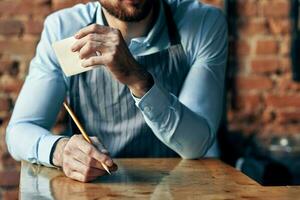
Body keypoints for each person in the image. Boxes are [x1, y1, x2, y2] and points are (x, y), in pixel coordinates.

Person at [6, 0, 228, 182]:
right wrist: (61, 150)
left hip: (177, 186)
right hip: (95, 187)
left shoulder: (202, 23)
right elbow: (20, 131)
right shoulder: (64, 29)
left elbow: (196, 145)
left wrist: (137, 78)